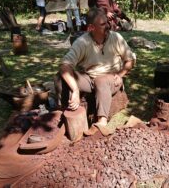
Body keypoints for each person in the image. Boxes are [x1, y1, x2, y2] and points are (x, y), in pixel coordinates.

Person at [54, 7, 136, 135]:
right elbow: (65, 65)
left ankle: (101, 122)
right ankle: (65, 111)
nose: (108, 26)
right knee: (60, 76)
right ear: (91, 28)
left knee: (101, 81)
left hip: (111, 79)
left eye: (107, 22)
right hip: (89, 79)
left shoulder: (116, 38)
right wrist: (75, 89)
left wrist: (121, 74)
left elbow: (130, 60)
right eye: (103, 24)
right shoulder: (83, 42)